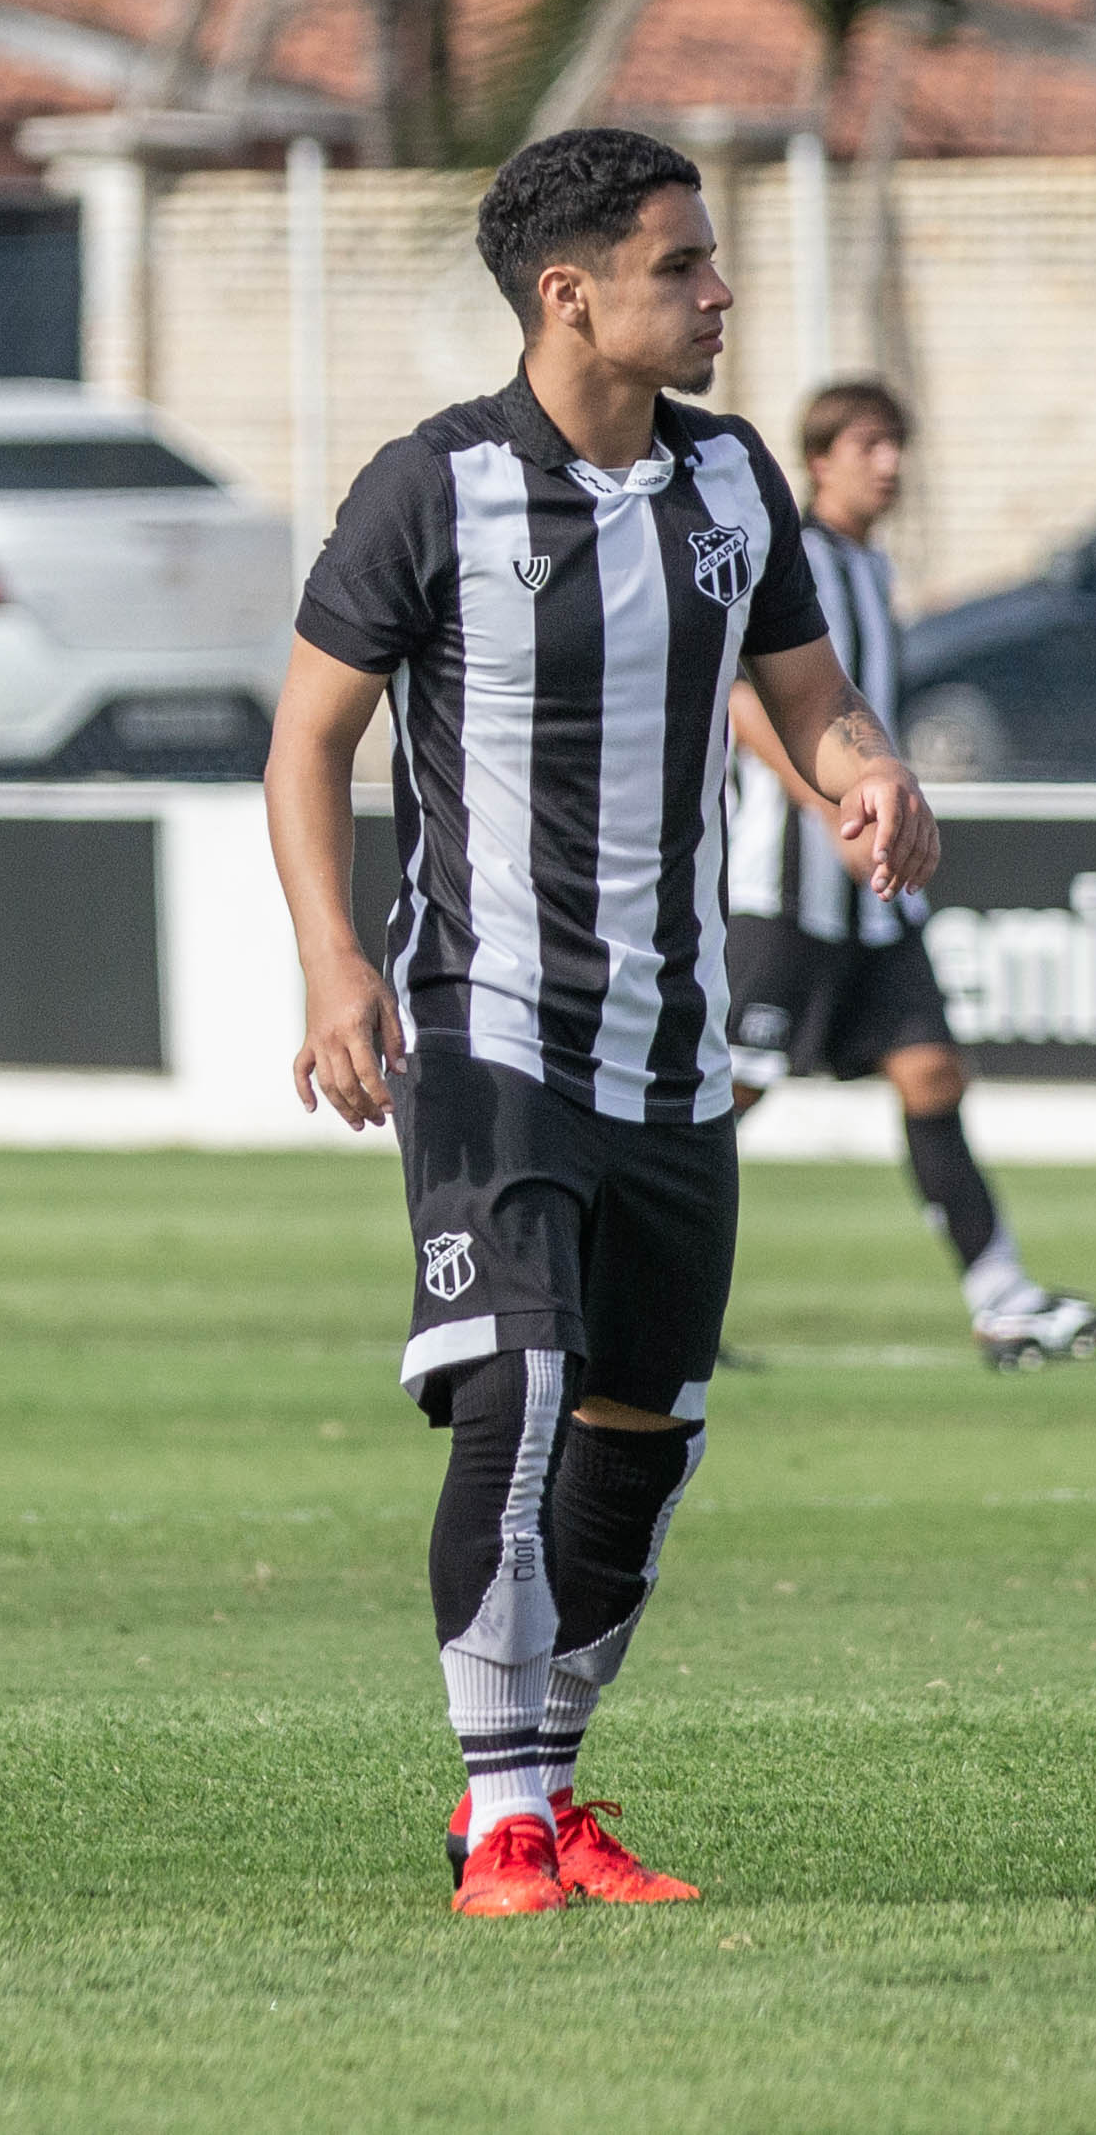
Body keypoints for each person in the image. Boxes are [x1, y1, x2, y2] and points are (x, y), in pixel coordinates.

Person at [264, 129, 937, 1919]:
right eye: (683, 265)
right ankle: (496, 1818)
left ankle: (548, 1788)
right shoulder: (432, 488)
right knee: (523, 1377)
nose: (720, 293)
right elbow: (308, 740)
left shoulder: (730, 482)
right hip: (485, 1029)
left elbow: (809, 696)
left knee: (644, 1430)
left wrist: (862, 776)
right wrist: (335, 963)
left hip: (677, 1047)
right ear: (571, 293)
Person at [723, 382, 1096, 1372]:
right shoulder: (799, 559)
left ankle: (1007, 1305)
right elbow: (750, 704)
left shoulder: (871, 570)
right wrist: (828, 807)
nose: (889, 463)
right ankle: (627, 1304)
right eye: (867, 444)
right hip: (785, 893)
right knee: (723, 1094)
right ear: (818, 458)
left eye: (897, 443)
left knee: (932, 1070)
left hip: (871, 903)